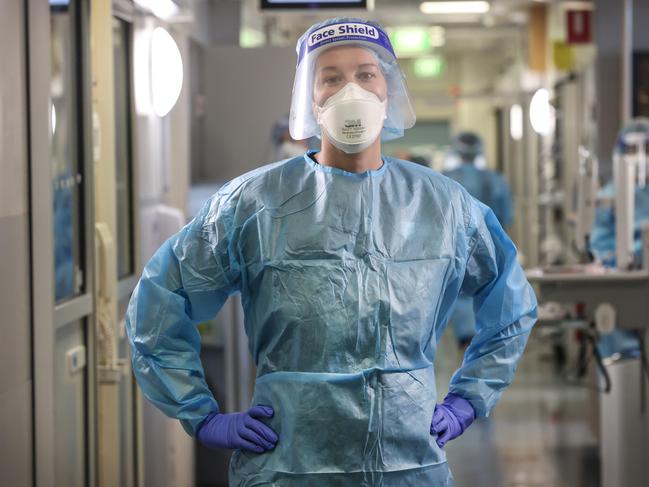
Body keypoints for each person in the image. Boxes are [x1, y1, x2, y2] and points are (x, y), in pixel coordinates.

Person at [126, 17, 537, 486]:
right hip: (287, 463)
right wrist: (200, 413)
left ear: (388, 90)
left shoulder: (445, 207)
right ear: (309, 98)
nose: (351, 91)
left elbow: (511, 303)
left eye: (366, 74)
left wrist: (469, 397)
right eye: (331, 77)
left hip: (407, 463)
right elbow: (161, 298)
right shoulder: (253, 204)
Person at [444, 131, 514, 348]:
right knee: (487, 288)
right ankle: (487, 335)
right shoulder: (495, 180)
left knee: (459, 289)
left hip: (453, 245)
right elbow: (506, 217)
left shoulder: (444, 179)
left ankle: (466, 335)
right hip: (490, 245)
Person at [590, 118, 649, 360]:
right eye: (632, 149)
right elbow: (601, 244)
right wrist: (631, 255)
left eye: (646, 148)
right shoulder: (609, 196)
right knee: (627, 362)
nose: (641, 156)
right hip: (622, 285)